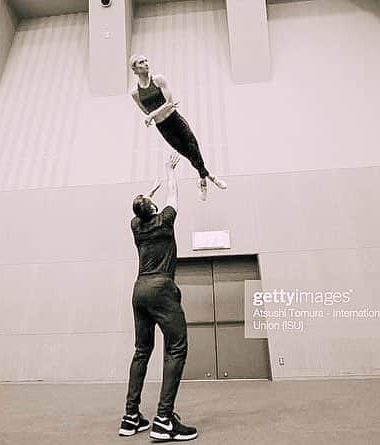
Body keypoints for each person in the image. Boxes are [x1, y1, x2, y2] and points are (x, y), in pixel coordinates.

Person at [119, 152, 198, 441]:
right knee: (177, 348)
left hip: (139, 290)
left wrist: (149, 191)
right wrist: (169, 172)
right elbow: (174, 195)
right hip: (162, 288)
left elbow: (138, 206)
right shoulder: (164, 221)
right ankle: (164, 419)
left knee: (142, 351)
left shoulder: (136, 226)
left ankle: (131, 417)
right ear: (153, 208)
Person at [129, 54, 227, 202]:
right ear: (135, 69)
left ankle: (206, 179)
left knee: (193, 147)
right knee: (187, 154)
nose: (146, 63)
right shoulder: (135, 93)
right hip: (163, 127)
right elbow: (145, 110)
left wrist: (153, 114)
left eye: (146, 60)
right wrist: (153, 115)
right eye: (141, 62)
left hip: (175, 120)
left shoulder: (158, 79)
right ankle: (206, 177)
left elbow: (169, 103)